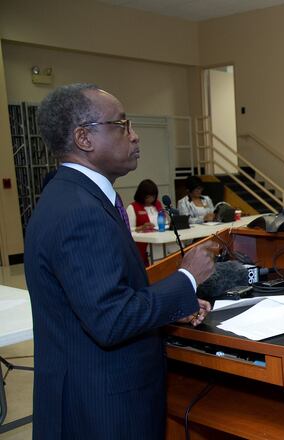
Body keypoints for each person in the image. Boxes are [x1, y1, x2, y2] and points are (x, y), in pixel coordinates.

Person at [25, 83, 217, 438]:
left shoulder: (73, 196)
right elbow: (111, 319)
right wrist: (187, 278)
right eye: (122, 124)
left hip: (93, 394)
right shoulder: (80, 210)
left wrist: (172, 305)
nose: (135, 135)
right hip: (103, 407)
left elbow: (105, 294)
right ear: (84, 138)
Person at [127, 179, 165, 265]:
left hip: (160, 241)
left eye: (153, 196)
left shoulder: (158, 205)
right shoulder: (133, 207)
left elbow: (164, 221)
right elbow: (127, 229)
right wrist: (141, 228)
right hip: (144, 245)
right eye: (148, 196)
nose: (151, 199)